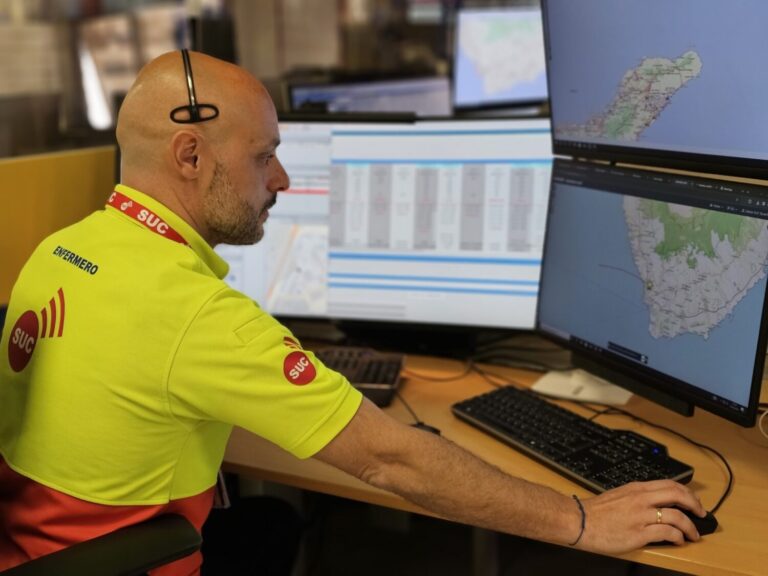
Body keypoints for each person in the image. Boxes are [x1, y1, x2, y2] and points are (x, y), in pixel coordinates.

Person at [0, 50, 707, 575]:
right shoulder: (196, 315)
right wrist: (582, 518)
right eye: (264, 157)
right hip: (126, 562)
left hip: (34, 547)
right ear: (189, 154)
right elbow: (392, 459)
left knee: (271, 520)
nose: (280, 180)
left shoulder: (62, 248)